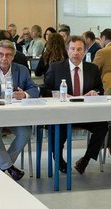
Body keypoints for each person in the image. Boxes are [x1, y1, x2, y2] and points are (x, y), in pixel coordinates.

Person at [0, 39, 39, 180]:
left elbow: (34, 90)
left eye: (8, 55)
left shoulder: (21, 70)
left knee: (26, 132)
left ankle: (3, 166)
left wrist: (25, 94)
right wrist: (5, 87)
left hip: (15, 115)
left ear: (13, 57)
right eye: (1, 54)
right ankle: (9, 167)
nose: (4, 58)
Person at [43, 36, 107, 175]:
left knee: (103, 125)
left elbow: (100, 89)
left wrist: (95, 92)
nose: (76, 53)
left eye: (79, 49)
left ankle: (86, 159)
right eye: (72, 49)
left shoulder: (92, 68)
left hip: (86, 114)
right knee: (56, 128)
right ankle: (59, 160)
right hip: (63, 114)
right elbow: (44, 90)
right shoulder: (56, 68)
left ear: (85, 51)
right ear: (67, 50)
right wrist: (60, 94)